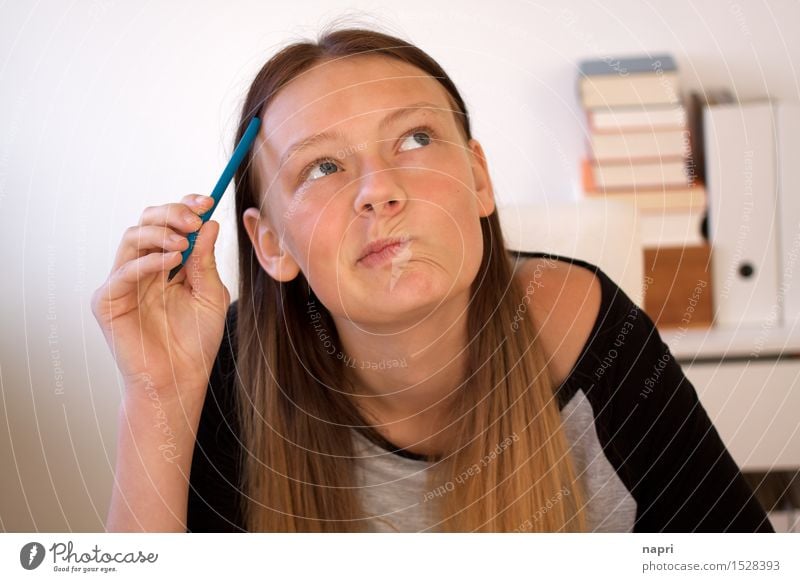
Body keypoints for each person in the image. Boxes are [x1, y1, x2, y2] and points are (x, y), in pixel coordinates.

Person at [91, 25, 773, 533]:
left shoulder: (585, 325)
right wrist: (159, 395)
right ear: (271, 244)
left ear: (479, 178)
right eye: (322, 167)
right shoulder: (225, 367)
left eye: (414, 139)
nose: (378, 190)